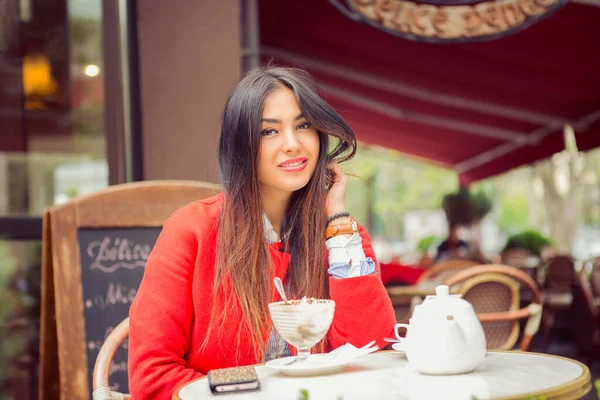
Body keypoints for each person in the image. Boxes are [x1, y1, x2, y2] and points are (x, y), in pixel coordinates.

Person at [128, 67, 396, 398]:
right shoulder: (193, 230)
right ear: (240, 146)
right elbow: (152, 375)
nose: (292, 144)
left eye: (303, 126)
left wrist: (338, 221)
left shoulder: (342, 236)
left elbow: (374, 353)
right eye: (269, 132)